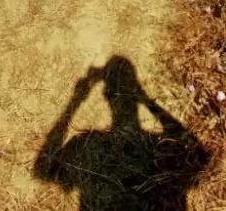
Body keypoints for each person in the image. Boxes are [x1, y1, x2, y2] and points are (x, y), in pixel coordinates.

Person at [34, 56, 209, 211]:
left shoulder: (89, 144)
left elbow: (43, 169)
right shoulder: (155, 148)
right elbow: (199, 155)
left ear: (106, 96)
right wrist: (147, 100)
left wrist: (76, 100)